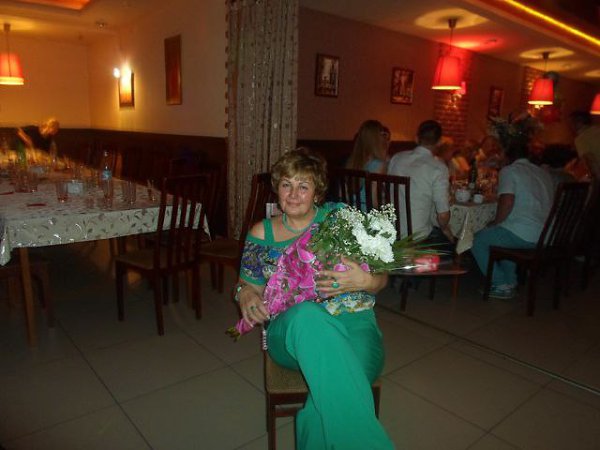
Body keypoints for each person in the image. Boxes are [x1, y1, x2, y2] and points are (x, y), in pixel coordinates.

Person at [234, 148, 394, 450]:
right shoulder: (262, 233)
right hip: (292, 331)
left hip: (353, 321)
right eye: (286, 184)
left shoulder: (342, 222)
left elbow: (382, 276)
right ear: (277, 189)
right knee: (308, 314)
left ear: (317, 192)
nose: (293, 194)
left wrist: (367, 281)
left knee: (329, 403)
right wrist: (246, 295)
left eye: (303, 186)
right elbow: (246, 284)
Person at [471, 115, 554, 299]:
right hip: (547, 235)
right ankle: (511, 281)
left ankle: (500, 283)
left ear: (506, 154)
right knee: (506, 230)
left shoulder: (510, 171)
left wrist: (494, 222)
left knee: (476, 240)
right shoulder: (542, 173)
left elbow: (507, 202)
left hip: (526, 235)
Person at [387, 120, 454, 247]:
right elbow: (443, 215)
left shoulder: (396, 158)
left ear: (416, 138)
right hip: (418, 238)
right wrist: (445, 229)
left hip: (390, 231)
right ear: (439, 142)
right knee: (452, 244)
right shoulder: (438, 168)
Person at [568, 110, 600, 179]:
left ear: (578, 123)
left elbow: (590, 160)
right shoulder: (597, 130)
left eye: (571, 123)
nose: (570, 127)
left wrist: (597, 179)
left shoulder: (581, 139)